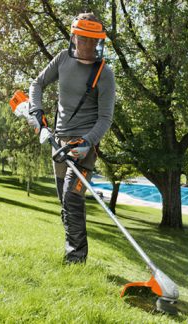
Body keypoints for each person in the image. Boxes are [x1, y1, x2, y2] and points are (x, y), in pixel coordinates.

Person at [28, 12, 115, 264]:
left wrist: (87, 143)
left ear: (99, 43)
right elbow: (37, 84)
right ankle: (72, 253)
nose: (86, 45)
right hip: (59, 140)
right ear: (74, 37)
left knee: (72, 196)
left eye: (92, 41)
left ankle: (76, 260)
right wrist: (37, 111)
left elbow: (105, 119)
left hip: (84, 146)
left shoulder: (104, 73)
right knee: (63, 201)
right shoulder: (63, 59)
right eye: (82, 39)